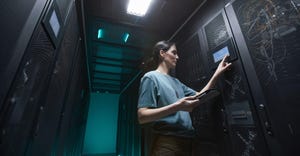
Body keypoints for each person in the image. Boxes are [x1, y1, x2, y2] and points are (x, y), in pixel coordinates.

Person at [137, 40, 232, 156]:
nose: (178, 57)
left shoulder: (176, 82)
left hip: (190, 141)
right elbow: (142, 116)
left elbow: (200, 96)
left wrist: (217, 73)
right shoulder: (151, 77)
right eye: (174, 53)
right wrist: (177, 106)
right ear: (162, 53)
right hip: (168, 143)